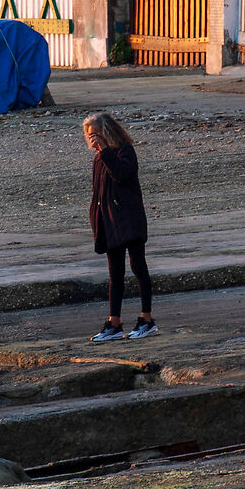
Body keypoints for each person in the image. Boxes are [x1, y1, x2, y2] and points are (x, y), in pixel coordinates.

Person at [84, 111, 154, 341]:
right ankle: (114, 323)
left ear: (106, 132)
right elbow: (98, 195)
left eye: (95, 134)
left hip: (130, 219)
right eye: (89, 136)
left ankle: (147, 319)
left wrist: (105, 151)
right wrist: (96, 220)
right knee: (115, 275)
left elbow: (122, 174)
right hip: (110, 222)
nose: (92, 139)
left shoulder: (125, 151)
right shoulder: (98, 159)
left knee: (138, 268)